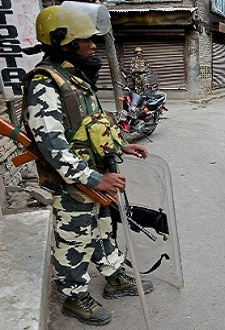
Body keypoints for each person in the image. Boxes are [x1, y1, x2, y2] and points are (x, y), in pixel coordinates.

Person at [21, 3, 153, 326]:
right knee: (74, 237)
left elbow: (91, 125)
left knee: (103, 228)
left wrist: (121, 144)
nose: (93, 45)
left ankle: (112, 275)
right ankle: (73, 295)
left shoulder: (74, 77)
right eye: (86, 39)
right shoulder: (44, 85)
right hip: (74, 182)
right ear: (64, 43)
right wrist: (94, 179)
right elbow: (53, 147)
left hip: (94, 174)